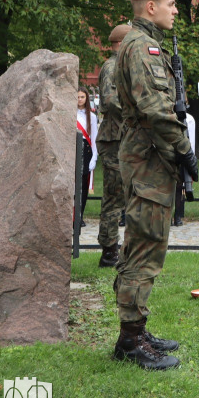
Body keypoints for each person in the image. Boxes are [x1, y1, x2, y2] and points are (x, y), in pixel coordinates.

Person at [113, 0, 198, 370]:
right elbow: (157, 111)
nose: (175, 9)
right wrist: (185, 150)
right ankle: (130, 342)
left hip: (148, 156)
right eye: (170, 3)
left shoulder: (141, 44)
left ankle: (135, 330)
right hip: (148, 157)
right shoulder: (141, 47)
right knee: (145, 246)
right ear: (151, 6)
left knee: (144, 243)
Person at [95, 23, 131, 267]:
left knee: (127, 195)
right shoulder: (111, 66)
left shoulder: (125, 66)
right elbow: (109, 100)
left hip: (126, 138)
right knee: (114, 197)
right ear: (121, 43)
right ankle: (109, 250)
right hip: (114, 140)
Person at [76, 87, 98, 227]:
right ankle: (71, 216)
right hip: (73, 149)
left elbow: (94, 138)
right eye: (77, 97)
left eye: (82, 97)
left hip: (86, 150)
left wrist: (94, 157)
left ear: (86, 99)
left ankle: (80, 216)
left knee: (83, 186)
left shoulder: (92, 116)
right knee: (73, 186)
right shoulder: (69, 113)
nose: (79, 99)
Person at [173, 101, 196, 226]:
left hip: (181, 154)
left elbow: (191, 141)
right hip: (168, 152)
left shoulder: (190, 119)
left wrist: (190, 161)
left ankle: (177, 216)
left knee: (178, 186)